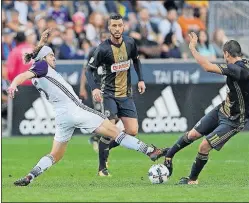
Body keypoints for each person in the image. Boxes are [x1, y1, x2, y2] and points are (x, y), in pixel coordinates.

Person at [7, 29, 166, 187]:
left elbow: (33, 60)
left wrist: (41, 42)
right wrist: (14, 84)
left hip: (62, 116)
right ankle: (150, 151)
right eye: (51, 55)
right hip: (76, 109)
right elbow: (23, 75)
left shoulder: (38, 66)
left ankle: (30, 176)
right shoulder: (42, 66)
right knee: (116, 132)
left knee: (56, 154)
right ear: (43, 58)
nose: (54, 58)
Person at [163, 32, 249, 185]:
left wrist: (192, 48)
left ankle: (192, 180)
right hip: (222, 110)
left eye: (224, 54)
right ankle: (168, 156)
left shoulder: (235, 69)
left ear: (226, 53)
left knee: (204, 146)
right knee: (193, 134)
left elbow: (207, 66)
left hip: (235, 120)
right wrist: (245, 89)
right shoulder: (248, 63)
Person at [85, 13, 147, 176]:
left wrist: (141, 79)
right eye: (114, 26)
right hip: (109, 94)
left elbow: (136, 60)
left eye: (120, 25)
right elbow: (89, 70)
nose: (117, 28)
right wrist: (95, 88)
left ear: (124, 26)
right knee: (110, 127)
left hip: (126, 95)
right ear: (109, 27)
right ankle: (102, 168)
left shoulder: (130, 42)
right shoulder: (103, 49)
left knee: (132, 131)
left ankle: (106, 148)